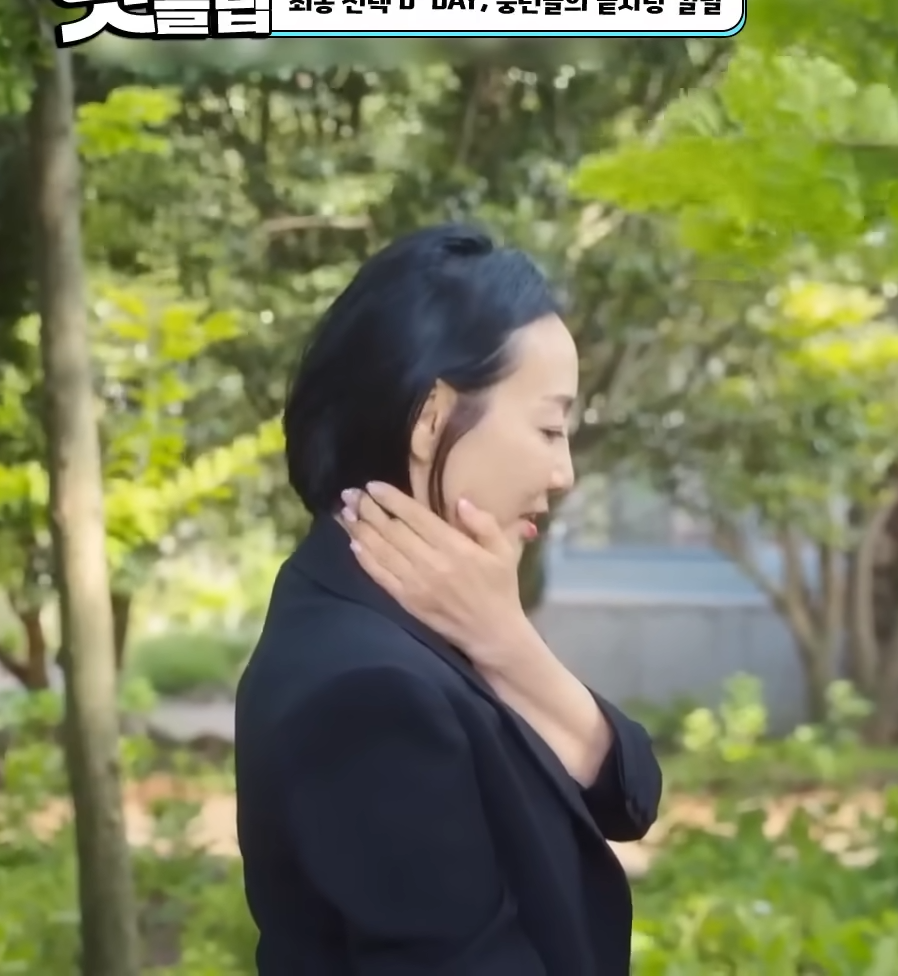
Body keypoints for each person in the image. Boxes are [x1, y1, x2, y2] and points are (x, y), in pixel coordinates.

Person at [235, 224, 663, 975]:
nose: (563, 472)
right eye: (548, 427)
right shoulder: (370, 689)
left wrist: (506, 640)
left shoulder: (423, 614)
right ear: (433, 419)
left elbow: (629, 792)